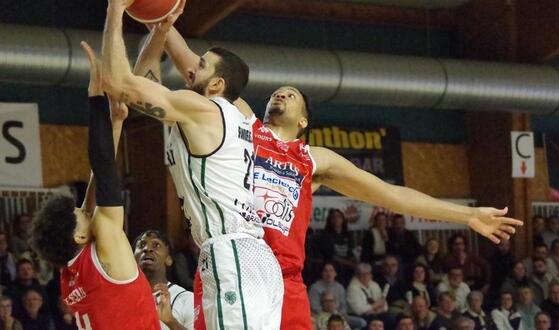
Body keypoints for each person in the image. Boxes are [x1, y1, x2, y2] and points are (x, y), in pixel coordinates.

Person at [145, 11, 522, 330]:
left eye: (291, 94)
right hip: (231, 262)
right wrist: (156, 18)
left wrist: (467, 214)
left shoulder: (314, 159)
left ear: (305, 120)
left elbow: (390, 194)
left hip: (283, 279)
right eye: (277, 91)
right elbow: (197, 69)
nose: (281, 94)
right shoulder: (243, 127)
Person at [101, 0, 285, 329]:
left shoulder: (201, 109)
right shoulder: (239, 115)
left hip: (232, 254)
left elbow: (120, 83)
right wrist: (160, 28)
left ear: (216, 85)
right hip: (252, 258)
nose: (190, 69)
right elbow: (147, 78)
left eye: (200, 66)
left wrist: (115, 9)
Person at [30, 42, 160, 329]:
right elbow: (103, 170)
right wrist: (96, 96)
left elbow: (98, 183)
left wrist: (115, 124)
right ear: (78, 236)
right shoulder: (106, 250)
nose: (86, 210)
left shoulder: (69, 275)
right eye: (82, 214)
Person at [133, 230, 194, 330]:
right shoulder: (122, 298)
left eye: (156, 245)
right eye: (141, 245)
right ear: (133, 259)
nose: (147, 249)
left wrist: (171, 321)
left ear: (169, 259)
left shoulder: (186, 299)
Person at [346, 264, 395, 328]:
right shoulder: (352, 288)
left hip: (375, 313)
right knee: (371, 321)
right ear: (357, 275)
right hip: (359, 315)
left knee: (390, 318)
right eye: (363, 274)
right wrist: (375, 306)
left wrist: (377, 311)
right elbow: (358, 310)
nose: (366, 276)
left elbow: (384, 304)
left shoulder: (374, 285)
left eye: (368, 274)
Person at [321, 210, 357, 286]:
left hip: (348, 265)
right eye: (333, 217)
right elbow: (330, 256)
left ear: (343, 219)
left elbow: (352, 252)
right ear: (330, 220)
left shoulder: (348, 234)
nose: (336, 219)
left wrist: (353, 261)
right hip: (334, 265)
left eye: (339, 217)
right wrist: (349, 263)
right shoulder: (326, 235)